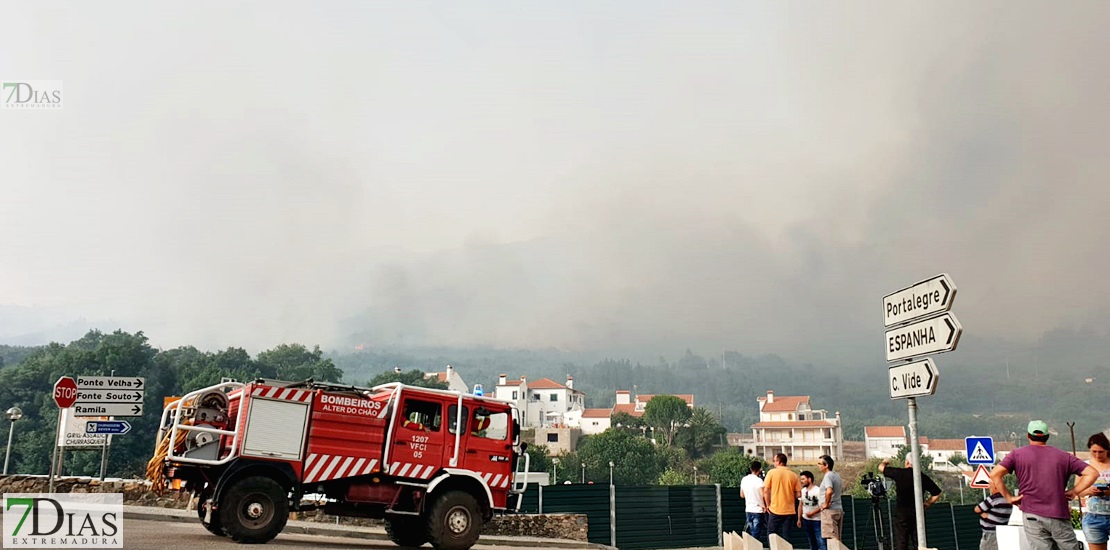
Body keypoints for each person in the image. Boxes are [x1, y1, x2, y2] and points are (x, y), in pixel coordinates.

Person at [991, 420, 1099, 550]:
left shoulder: (1016, 454)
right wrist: (1074, 491)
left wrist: (1009, 498)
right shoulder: (1064, 456)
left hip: (1031, 514)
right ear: (1047, 436)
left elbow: (995, 474)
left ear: (1028, 435)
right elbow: (1092, 473)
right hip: (1058, 513)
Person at [880, 456, 942, 550]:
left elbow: (881, 468)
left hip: (902, 514)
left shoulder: (900, 473)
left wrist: (885, 462)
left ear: (907, 462)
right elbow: (937, 494)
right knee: (919, 542)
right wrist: (927, 504)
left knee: (902, 542)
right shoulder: (922, 477)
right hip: (917, 514)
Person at [1080, 432, 1110, 550]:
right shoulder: (1084, 466)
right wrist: (1089, 491)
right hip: (1094, 517)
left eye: (1101, 452)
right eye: (1094, 452)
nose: (1097, 455)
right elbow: (1078, 490)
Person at [763, 453, 801, 540]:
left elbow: (766, 491)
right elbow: (799, 494)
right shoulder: (793, 475)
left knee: (771, 533)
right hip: (789, 510)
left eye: (774, 461)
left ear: (779, 462)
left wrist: (768, 504)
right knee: (786, 535)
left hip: (775, 509)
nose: (774, 463)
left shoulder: (771, 473)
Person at [973, 479, 1013, 550]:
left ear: (995, 486)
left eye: (990, 485)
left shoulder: (994, 498)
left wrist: (982, 513)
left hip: (990, 533)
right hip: (1001, 532)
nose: (989, 487)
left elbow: (977, 509)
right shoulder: (1008, 498)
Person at [816, 455, 844, 545]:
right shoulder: (836, 475)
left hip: (829, 511)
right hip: (838, 509)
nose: (818, 465)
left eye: (820, 463)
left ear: (826, 465)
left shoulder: (828, 476)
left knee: (832, 540)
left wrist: (826, 504)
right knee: (837, 539)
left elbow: (829, 491)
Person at [797, 470, 825, 550]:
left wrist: (812, 513)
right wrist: (799, 519)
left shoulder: (818, 490)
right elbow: (800, 505)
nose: (801, 481)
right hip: (806, 519)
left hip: (817, 520)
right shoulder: (803, 491)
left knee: (820, 541)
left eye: (803, 479)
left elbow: (822, 505)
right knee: (811, 541)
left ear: (809, 479)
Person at [740, 460, 767, 542]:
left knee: (751, 531)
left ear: (751, 469)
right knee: (756, 534)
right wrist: (764, 506)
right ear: (759, 469)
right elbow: (763, 494)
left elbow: (742, 495)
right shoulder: (758, 481)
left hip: (748, 509)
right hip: (758, 510)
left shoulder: (744, 479)